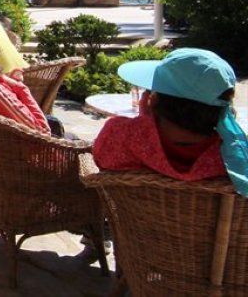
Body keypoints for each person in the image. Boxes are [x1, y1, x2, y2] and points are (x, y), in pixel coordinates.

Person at [93, 48, 247, 196]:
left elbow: (100, 160)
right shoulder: (235, 159)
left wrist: (144, 122)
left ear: (154, 99)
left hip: (133, 214)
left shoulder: (119, 135)